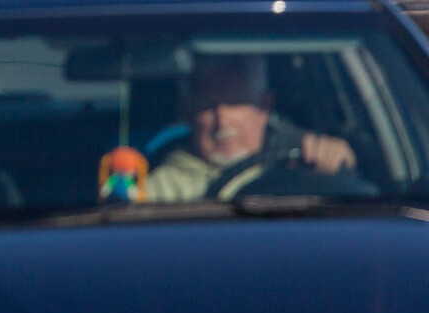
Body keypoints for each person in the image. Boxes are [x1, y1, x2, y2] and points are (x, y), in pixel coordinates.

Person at [147, 55, 356, 203]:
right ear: (188, 114)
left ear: (265, 106)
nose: (222, 121)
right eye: (208, 105)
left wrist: (340, 165)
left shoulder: (304, 164)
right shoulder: (159, 190)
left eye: (235, 102)